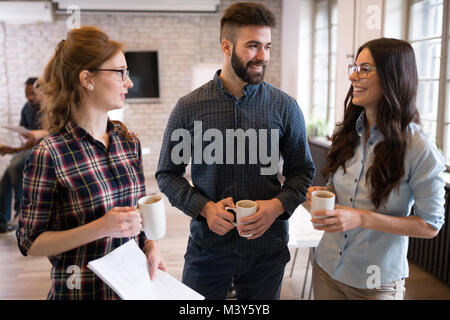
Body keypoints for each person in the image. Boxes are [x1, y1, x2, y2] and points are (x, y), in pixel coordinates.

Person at [156, 2, 315, 300]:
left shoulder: (285, 107)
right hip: (208, 249)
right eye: (253, 46)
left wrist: (277, 206)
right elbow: (167, 174)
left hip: (267, 251)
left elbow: (303, 172)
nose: (263, 56)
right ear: (227, 46)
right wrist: (204, 208)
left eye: (267, 46)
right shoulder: (189, 107)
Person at [16, 26, 167, 300]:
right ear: (87, 78)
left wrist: (150, 247)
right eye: (120, 72)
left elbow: (136, 214)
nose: (129, 82)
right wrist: (102, 226)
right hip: (81, 292)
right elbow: (30, 242)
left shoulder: (127, 141)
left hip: (131, 288)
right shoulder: (50, 154)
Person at [307, 38, 446, 300]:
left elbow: (430, 225)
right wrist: (325, 194)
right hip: (327, 267)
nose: (353, 76)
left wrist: (361, 218)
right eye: (354, 67)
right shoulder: (344, 132)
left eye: (365, 69)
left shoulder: (419, 146)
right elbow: (344, 193)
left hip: (375, 281)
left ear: (393, 77)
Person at [0, 77, 46, 233]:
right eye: (27, 93)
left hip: (42, 147)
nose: (30, 97)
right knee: (5, 178)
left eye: (32, 93)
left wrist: (33, 137)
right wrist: (23, 137)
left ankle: (21, 210)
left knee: (16, 165)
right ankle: (2, 222)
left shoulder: (48, 107)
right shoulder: (26, 107)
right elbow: (23, 129)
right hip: (28, 146)